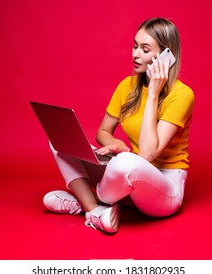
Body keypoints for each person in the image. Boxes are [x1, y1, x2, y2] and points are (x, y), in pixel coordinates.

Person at [43, 17, 194, 234]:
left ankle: (86, 199)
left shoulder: (182, 95)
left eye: (144, 49)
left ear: (165, 56)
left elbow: (148, 154)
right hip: (128, 177)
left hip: (164, 186)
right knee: (59, 140)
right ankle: (94, 210)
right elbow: (102, 132)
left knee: (126, 163)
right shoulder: (127, 86)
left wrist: (153, 93)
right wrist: (116, 144)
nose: (135, 54)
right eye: (135, 46)